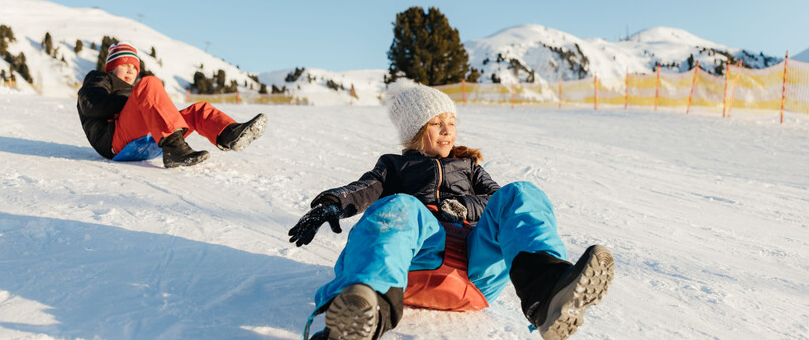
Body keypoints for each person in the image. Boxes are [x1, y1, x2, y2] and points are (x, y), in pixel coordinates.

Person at [289, 80, 614, 340]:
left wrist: (465, 206)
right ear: (415, 131)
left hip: (475, 268)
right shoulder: (394, 165)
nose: (447, 130)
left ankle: (545, 289)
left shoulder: (469, 166)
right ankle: (366, 307)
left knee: (521, 193)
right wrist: (331, 204)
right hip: (413, 262)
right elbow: (364, 189)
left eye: (451, 122)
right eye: (436, 123)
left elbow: (497, 199)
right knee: (399, 205)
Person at [77, 41, 267, 168]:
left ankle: (230, 134)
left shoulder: (134, 91)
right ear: (111, 67)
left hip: (145, 140)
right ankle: (174, 148)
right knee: (149, 83)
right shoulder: (99, 78)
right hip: (115, 142)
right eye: (124, 65)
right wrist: (134, 102)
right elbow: (89, 104)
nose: (131, 70)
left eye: (134, 67)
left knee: (196, 111)